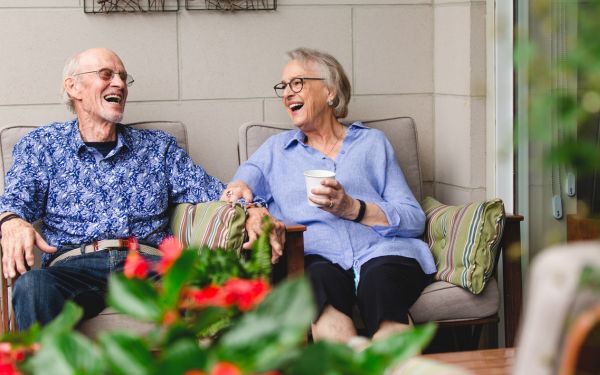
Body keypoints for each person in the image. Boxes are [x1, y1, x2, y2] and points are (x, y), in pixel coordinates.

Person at [0, 47, 284, 330]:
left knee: (214, 282)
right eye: (106, 75)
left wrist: (251, 209)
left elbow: (214, 191)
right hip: (73, 266)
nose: (120, 84)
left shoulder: (158, 147)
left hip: (148, 266)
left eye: (123, 77)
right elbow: (13, 202)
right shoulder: (42, 145)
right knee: (33, 286)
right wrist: (11, 222)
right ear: (74, 87)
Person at [225, 48, 436, 342]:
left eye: (296, 83)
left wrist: (353, 208)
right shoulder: (275, 151)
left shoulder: (373, 143)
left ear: (330, 92)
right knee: (318, 283)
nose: (287, 94)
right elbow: (238, 189)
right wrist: (246, 201)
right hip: (315, 256)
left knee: (381, 284)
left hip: (383, 252)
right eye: (283, 87)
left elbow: (414, 219)